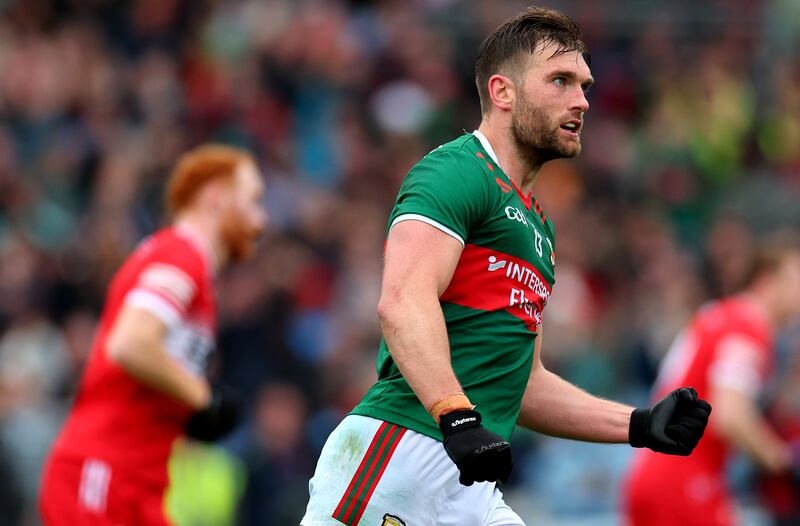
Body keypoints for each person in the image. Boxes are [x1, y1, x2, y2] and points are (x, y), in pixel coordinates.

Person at [301, 7, 712, 526]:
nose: (581, 100)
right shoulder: (456, 171)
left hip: (469, 476)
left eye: (585, 85)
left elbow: (527, 383)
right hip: (400, 450)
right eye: (560, 80)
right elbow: (402, 302)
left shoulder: (539, 227)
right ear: (503, 92)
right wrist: (457, 414)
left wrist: (638, 423)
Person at [39, 145, 267, 526]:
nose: (261, 220)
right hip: (104, 471)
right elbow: (130, 343)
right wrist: (203, 397)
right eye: (254, 200)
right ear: (216, 197)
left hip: (138, 481)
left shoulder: (187, 265)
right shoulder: (182, 255)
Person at [624, 233, 800, 526]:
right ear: (767, 280)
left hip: (654, 474)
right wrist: (781, 460)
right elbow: (729, 414)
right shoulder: (747, 325)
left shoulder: (719, 315)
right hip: (685, 479)